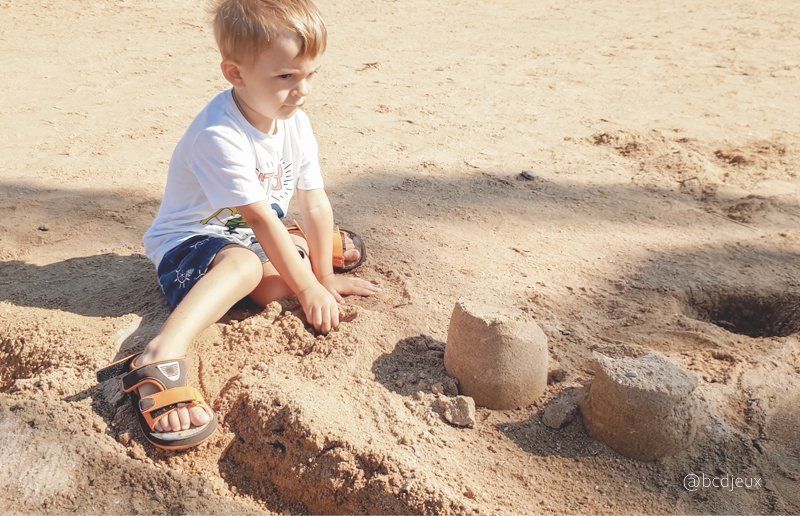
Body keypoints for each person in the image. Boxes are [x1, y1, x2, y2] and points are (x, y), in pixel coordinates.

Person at [97, 0, 380, 450]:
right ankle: (159, 354)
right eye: (286, 77)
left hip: (243, 237)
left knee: (273, 285)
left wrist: (324, 276)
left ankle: (300, 249)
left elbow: (314, 199)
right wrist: (308, 287)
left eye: (310, 74)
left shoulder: (295, 123)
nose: (301, 90)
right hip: (188, 244)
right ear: (236, 73)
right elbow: (261, 218)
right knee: (254, 269)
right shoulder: (219, 135)